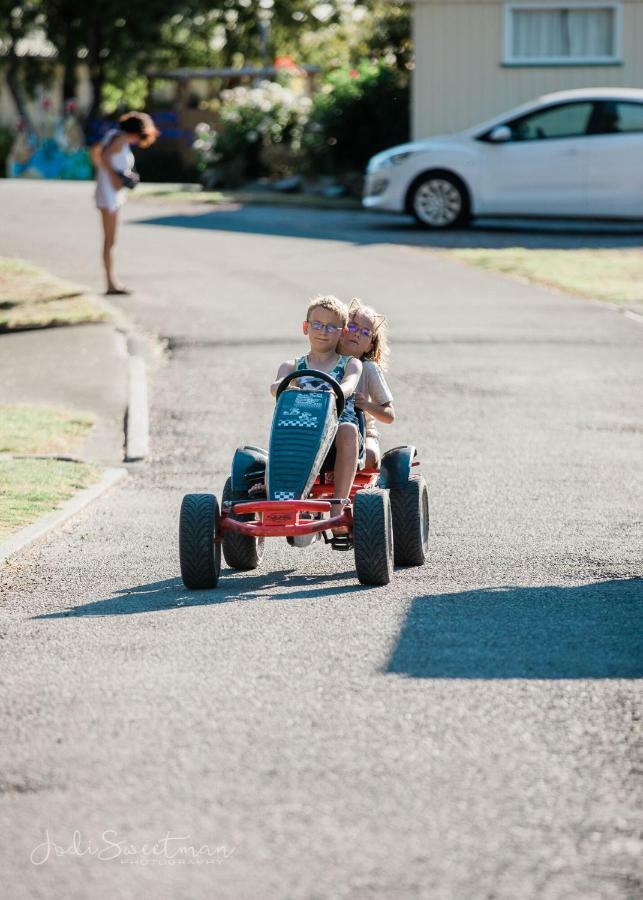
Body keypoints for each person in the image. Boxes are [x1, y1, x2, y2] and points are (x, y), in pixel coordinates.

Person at [270, 295, 362, 519]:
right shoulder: (292, 365)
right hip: (302, 431)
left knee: (348, 430)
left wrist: (337, 390)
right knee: (281, 430)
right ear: (306, 327)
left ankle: (338, 506)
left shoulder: (350, 363)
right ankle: (280, 494)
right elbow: (276, 386)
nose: (323, 331)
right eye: (317, 325)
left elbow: (350, 384)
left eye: (331, 327)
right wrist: (288, 386)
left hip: (337, 435)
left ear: (343, 332)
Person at [91, 111, 159, 295]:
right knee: (110, 241)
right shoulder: (120, 139)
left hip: (109, 193)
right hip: (109, 194)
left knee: (110, 240)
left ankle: (112, 282)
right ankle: (111, 284)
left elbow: (96, 152)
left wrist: (106, 177)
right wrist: (113, 180)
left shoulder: (113, 136)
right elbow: (104, 156)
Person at [338, 298, 395, 469]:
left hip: (363, 432)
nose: (356, 333)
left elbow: (389, 415)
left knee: (369, 456)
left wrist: (366, 405)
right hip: (324, 428)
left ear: (370, 345)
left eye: (365, 332)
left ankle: (346, 471)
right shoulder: (325, 359)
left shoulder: (368, 368)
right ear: (341, 330)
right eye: (353, 326)